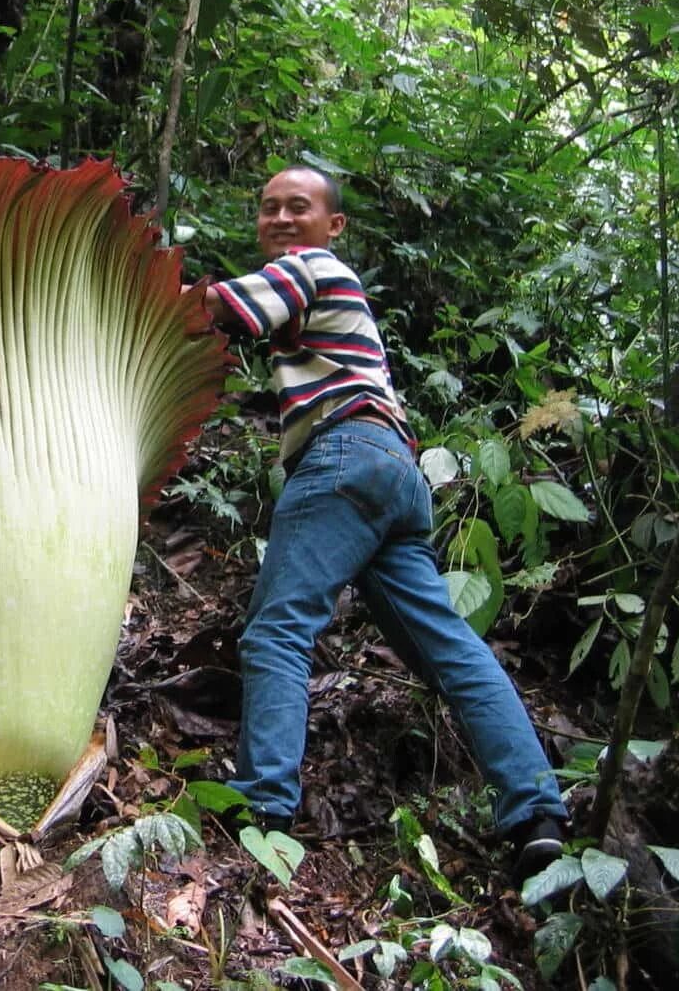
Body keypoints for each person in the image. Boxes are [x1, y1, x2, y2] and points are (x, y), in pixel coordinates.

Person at [195, 165, 567, 880]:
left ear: (331, 224)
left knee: (277, 628)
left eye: (295, 207)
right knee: (449, 650)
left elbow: (214, 309)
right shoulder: (320, 283)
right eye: (266, 207)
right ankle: (535, 811)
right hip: (395, 470)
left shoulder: (309, 266)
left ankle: (261, 806)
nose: (276, 218)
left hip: (341, 457)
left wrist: (116, 291)